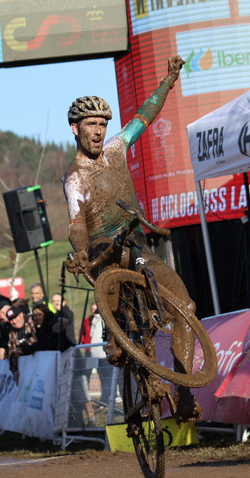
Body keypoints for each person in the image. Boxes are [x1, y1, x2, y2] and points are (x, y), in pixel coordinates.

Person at [62, 55, 201, 421]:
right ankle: (116, 335)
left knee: (186, 308)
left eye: (102, 124)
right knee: (110, 263)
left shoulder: (116, 148)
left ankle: (184, 391)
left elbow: (145, 116)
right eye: (90, 124)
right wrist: (81, 252)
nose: (98, 131)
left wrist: (168, 81)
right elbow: (76, 222)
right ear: (75, 128)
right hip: (104, 250)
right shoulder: (75, 177)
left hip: (138, 246)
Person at [4, 302, 37, 384]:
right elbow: (12, 350)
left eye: (15, 317)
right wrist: (14, 370)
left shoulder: (32, 322)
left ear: (21, 315)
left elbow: (35, 342)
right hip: (27, 370)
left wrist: (22, 350)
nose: (14, 321)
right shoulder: (12, 331)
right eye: (11, 320)